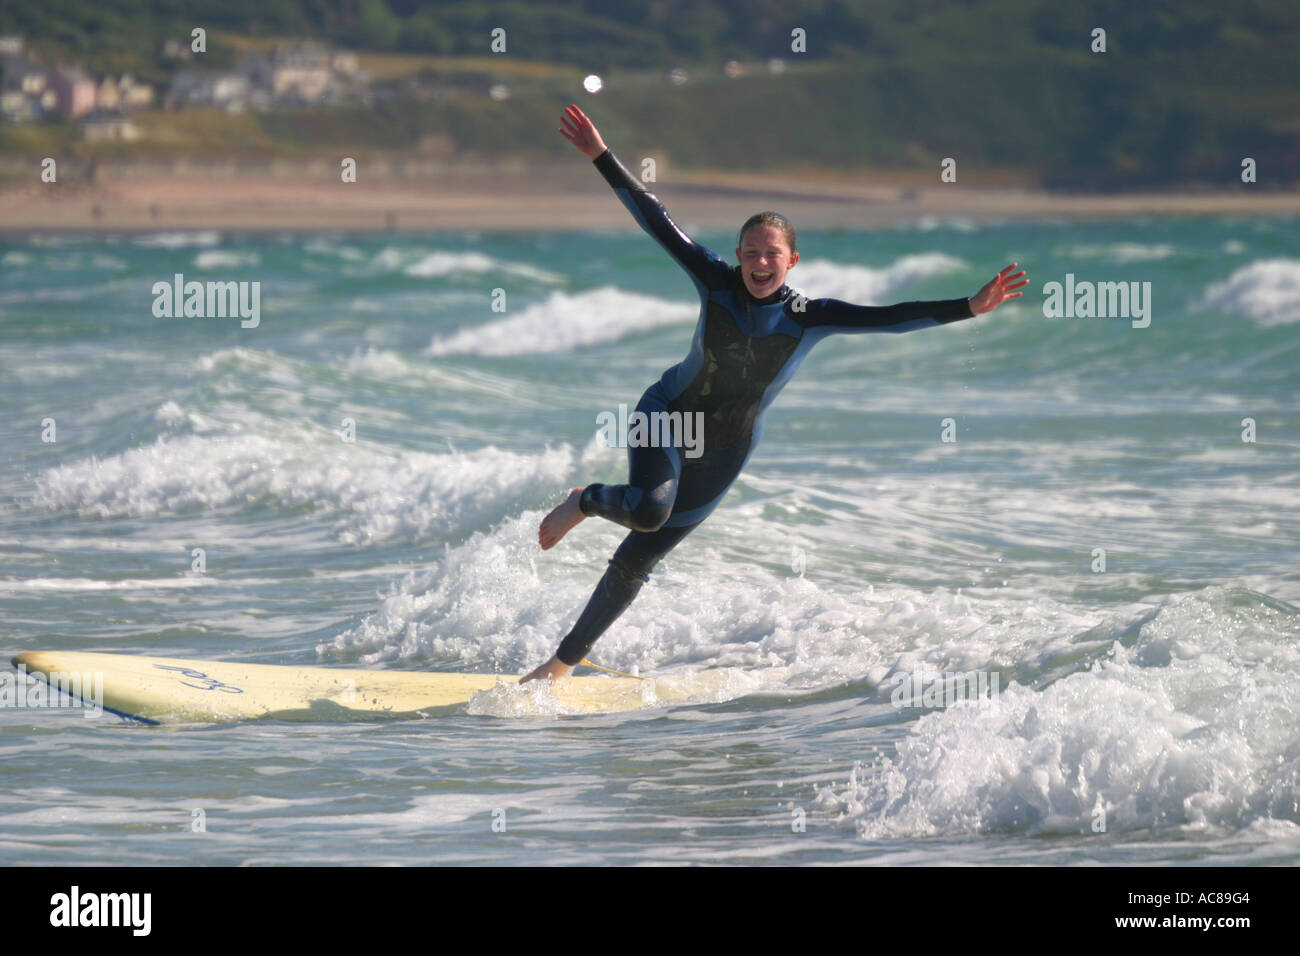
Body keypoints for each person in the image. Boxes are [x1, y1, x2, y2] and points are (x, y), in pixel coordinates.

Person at [521, 104, 1027, 684]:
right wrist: (602, 157)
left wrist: (969, 306)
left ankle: (557, 667)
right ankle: (585, 500)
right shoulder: (714, 279)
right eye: (751, 252)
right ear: (738, 256)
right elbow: (655, 219)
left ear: (792, 260)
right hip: (666, 415)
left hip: (725, 451)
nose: (760, 263)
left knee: (640, 560)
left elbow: (893, 316)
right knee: (650, 510)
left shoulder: (811, 317)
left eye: (772, 254)